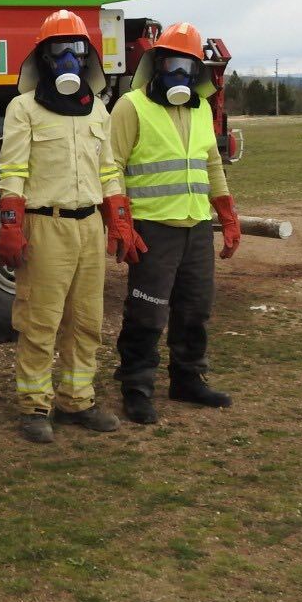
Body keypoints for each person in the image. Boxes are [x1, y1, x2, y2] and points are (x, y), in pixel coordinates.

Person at [0, 10, 141, 443]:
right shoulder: (22, 108)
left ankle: (78, 399)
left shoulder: (96, 108)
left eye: (76, 51)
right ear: (42, 58)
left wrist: (117, 217)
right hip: (47, 227)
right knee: (40, 321)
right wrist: (10, 225)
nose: (67, 61)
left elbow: (109, 169)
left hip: (88, 227)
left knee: (86, 320)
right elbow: (12, 171)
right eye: (57, 52)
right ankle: (34, 405)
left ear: (87, 58)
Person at [109, 21, 243, 424]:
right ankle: (137, 385)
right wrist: (121, 222)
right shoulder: (131, 106)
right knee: (147, 312)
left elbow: (211, 162)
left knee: (195, 308)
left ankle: (188, 378)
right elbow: (111, 165)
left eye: (187, 66)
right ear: (156, 64)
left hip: (196, 227)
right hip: (152, 229)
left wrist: (227, 214)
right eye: (171, 63)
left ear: (197, 71)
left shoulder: (201, 107)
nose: (179, 74)